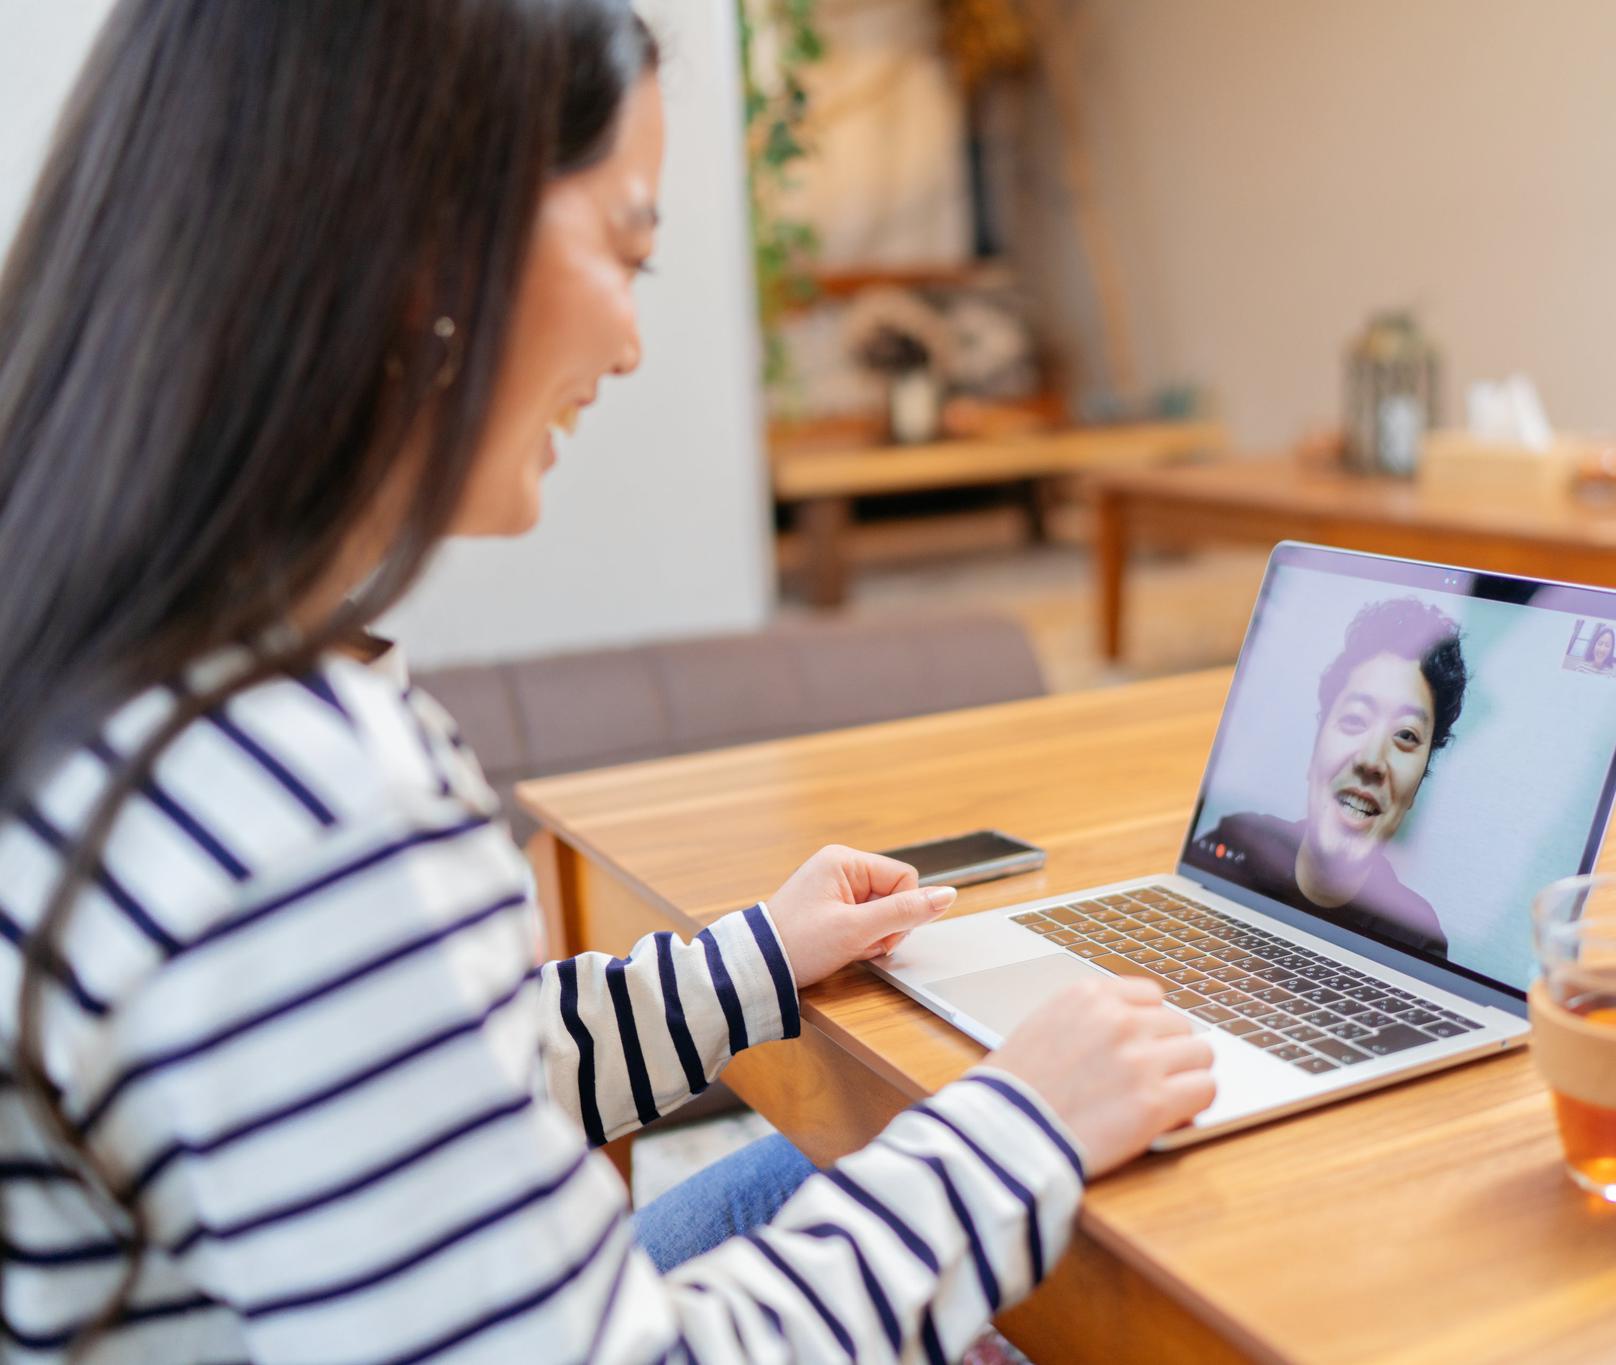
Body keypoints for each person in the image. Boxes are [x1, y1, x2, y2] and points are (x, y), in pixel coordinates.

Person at [0, 3, 1215, 1360]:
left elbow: (432, 1075)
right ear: (422, 244)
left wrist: (749, 961)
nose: (631, 344)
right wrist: (1018, 1132)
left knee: (821, 1175)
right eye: (624, 247)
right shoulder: (305, 792)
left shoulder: (101, 667)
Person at [1195, 598, 1466, 955]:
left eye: (1406, 736)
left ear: (1417, 786)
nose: (1372, 760)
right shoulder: (1235, 846)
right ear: (1316, 746)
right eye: (1355, 719)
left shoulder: (1416, 937)